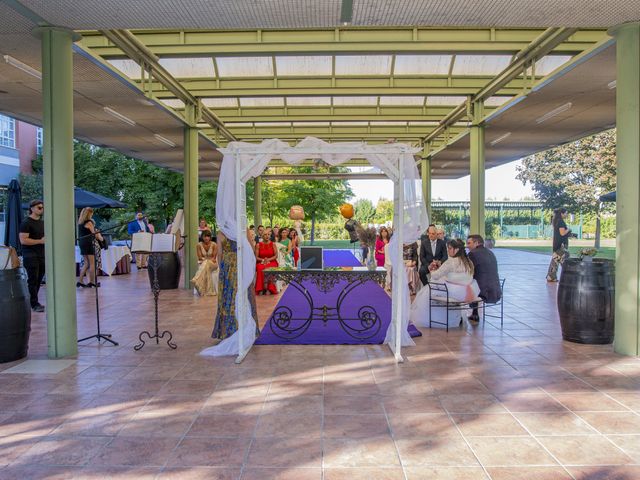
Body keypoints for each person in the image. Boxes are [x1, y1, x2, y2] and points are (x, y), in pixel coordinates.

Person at [410, 239, 480, 328]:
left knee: (427, 290)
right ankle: (455, 317)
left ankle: (437, 318)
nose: (448, 250)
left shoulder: (451, 262)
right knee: (441, 281)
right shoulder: (469, 262)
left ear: (457, 249)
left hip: (453, 293)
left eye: (450, 248)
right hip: (468, 291)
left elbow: (435, 275)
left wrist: (431, 269)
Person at [211, 231, 258, 343]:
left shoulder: (221, 233)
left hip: (228, 267)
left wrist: (222, 270)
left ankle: (227, 331)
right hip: (240, 265)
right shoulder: (242, 230)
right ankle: (244, 328)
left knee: (229, 297)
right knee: (242, 295)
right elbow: (251, 249)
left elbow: (220, 255)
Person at [466, 234, 501, 323]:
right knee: (477, 279)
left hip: (483, 291)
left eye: (469, 243)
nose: (467, 246)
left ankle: (458, 317)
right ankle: (475, 313)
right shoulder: (490, 252)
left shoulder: (472, 254)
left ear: (477, 243)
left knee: (465, 284)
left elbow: (468, 272)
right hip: (495, 289)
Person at [19, 199, 46, 312]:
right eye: (39, 207)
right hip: (30, 255)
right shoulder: (26, 222)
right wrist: (40, 241)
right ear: (32, 208)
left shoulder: (43, 223)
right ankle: (34, 303)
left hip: (41, 255)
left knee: (39, 279)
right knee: (32, 280)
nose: (41, 209)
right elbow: (23, 240)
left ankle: (33, 301)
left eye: (42, 207)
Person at [77, 207, 104, 288]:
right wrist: (98, 232)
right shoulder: (89, 222)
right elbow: (94, 234)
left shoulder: (80, 223)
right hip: (89, 243)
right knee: (92, 264)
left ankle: (80, 281)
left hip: (82, 243)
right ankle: (92, 282)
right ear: (89, 214)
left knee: (86, 263)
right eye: (91, 213)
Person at [547, 208, 572, 282]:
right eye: (566, 213)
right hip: (561, 245)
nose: (567, 215)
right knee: (565, 259)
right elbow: (562, 233)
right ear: (562, 213)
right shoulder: (560, 222)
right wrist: (568, 229)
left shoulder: (556, 221)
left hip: (557, 243)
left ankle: (551, 277)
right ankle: (568, 276)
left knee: (555, 261)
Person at [191, 230, 218, 296]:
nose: (206, 238)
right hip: (204, 263)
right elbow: (199, 257)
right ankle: (209, 291)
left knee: (206, 263)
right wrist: (207, 260)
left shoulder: (214, 245)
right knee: (206, 266)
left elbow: (214, 258)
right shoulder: (199, 245)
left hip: (213, 264)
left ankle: (196, 279)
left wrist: (206, 260)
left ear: (210, 237)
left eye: (208, 236)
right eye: (205, 236)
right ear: (202, 237)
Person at [255, 228, 278, 295]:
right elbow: (256, 257)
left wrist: (268, 260)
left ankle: (269, 289)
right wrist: (263, 260)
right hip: (261, 262)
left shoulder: (273, 244)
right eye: (265, 235)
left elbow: (276, 255)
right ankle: (260, 289)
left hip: (272, 261)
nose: (267, 236)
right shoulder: (258, 245)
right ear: (262, 236)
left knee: (270, 268)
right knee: (260, 268)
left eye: (268, 234)